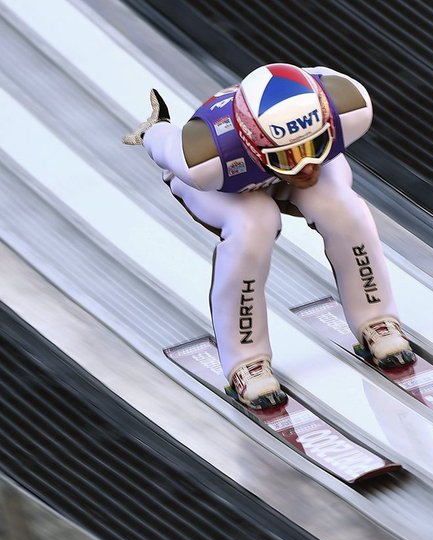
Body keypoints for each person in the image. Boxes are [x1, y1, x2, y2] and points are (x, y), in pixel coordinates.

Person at [122, 63, 415, 409]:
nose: (306, 168)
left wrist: (295, 154)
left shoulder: (348, 105)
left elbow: (315, 79)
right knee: (254, 226)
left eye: (316, 145)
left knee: (344, 210)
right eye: (288, 156)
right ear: (254, 144)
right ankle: (245, 361)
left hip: (260, 158)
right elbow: (162, 141)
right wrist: (155, 129)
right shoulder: (202, 159)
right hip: (230, 180)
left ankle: (376, 320)